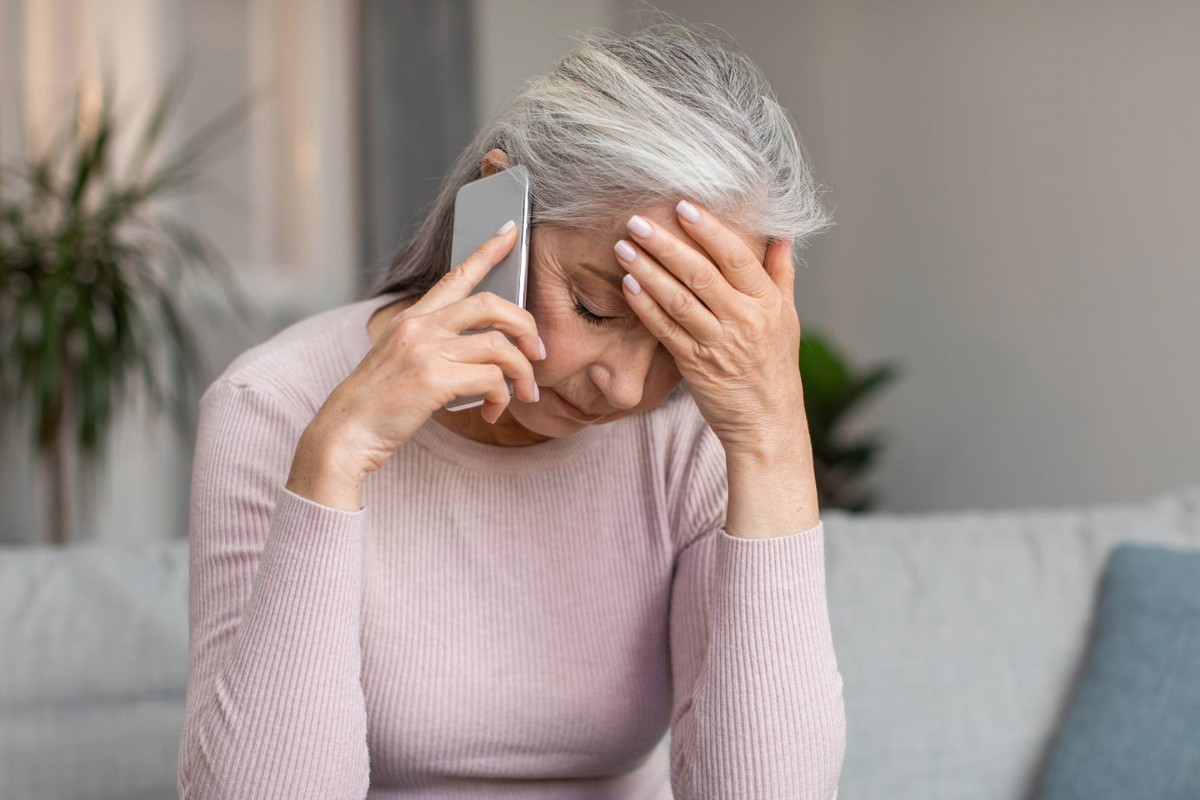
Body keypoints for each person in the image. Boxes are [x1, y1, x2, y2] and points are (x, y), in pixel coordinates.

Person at [177, 16, 845, 800]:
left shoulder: (697, 431)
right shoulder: (274, 406)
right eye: (595, 308)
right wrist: (336, 459)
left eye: (677, 339)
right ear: (496, 214)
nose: (627, 390)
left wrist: (771, 437)